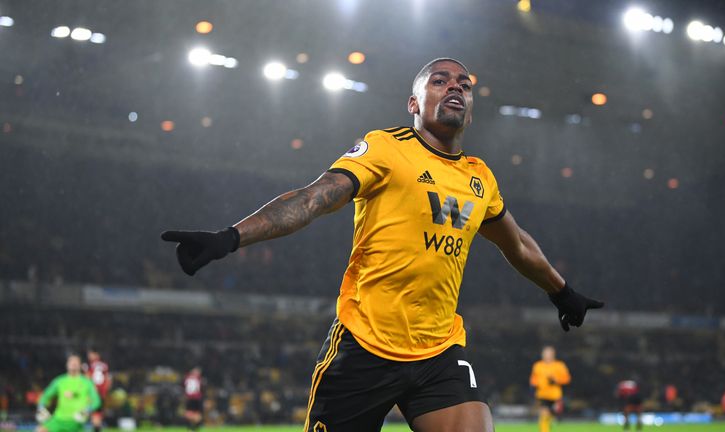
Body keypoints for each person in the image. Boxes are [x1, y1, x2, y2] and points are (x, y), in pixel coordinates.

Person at [162, 58, 604, 432]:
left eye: (464, 85)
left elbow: (518, 245)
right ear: (414, 104)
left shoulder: (479, 177)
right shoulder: (386, 148)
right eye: (440, 81)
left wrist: (561, 291)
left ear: (470, 110)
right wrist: (230, 237)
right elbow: (314, 198)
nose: (455, 87)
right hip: (366, 346)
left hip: (439, 350)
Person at [36, 354, 101, 432]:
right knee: (40, 430)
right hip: (58, 420)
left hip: (76, 422)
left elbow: (97, 401)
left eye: (76, 362)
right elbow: (45, 396)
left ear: (80, 365)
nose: (73, 363)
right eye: (71, 361)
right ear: (67, 364)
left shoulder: (87, 383)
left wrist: (87, 410)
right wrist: (41, 407)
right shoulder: (59, 381)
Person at [530, 346, 571, 432]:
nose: (547, 355)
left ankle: (553, 420)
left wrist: (556, 380)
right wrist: (534, 386)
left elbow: (567, 379)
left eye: (549, 353)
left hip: (555, 396)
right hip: (542, 395)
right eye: (545, 353)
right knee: (544, 415)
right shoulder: (538, 365)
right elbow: (533, 379)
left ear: (553, 355)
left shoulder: (559, 365)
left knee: (552, 417)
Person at [84, 350, 110, 432]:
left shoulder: (89, 365)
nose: (89, 356)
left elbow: (87, 378)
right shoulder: (104, 365)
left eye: (90, 354)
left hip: (93, 392)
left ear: (96, 354)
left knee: (94, 414)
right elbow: (108, 379)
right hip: (101, 393)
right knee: (97, 414)